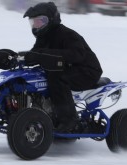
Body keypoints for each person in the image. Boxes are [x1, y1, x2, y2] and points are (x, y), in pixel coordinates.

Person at [22, 1, 103, 133]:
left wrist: (44, 55)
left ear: (51, 20)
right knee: (33, 76)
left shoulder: (67, 34)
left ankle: (69, 120)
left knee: (58, 78)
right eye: (34, 22)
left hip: (87, 71)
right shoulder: (43, 37)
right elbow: (36, 55)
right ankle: (48, 114)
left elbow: (77, 55)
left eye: (40, 21)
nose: (36, 26)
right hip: (65, 69)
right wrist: (18, 58)